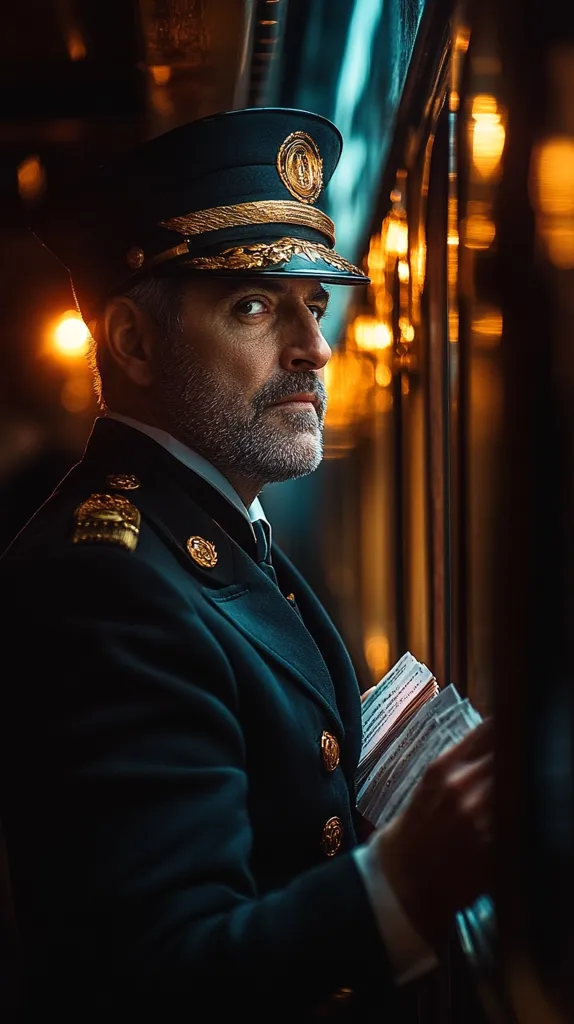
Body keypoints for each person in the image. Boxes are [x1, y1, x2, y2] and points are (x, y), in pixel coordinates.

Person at [0, 108, 492, 1021]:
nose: (314, 348)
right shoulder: (103, 584)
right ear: (132, 341)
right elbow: (153, 979)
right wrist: (402, 882)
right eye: (254, 305)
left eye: (317, 304)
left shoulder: (216, 535)